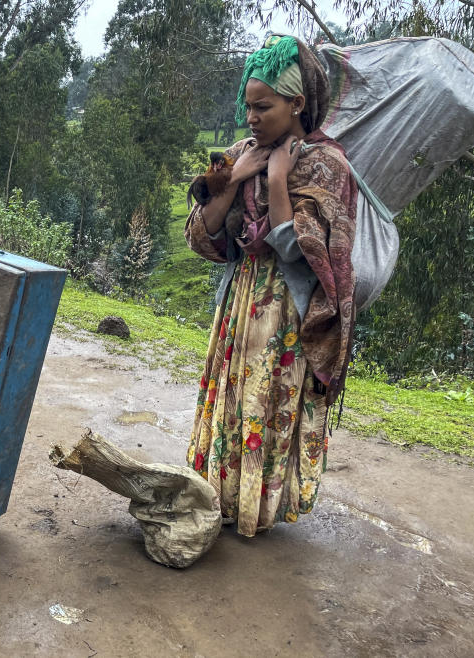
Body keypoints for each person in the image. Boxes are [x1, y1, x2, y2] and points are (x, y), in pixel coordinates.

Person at [184, 35, 357, 537]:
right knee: (233, 396)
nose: (252, 117)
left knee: (269, 399)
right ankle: (217, 495)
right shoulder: (241, 154)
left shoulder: (328, 167)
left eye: (263, 107)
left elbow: (306, 254)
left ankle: (256, 509)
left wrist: (278, 182)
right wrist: (237, 178)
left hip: (288, 313)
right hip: (241, 298)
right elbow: (204, 234)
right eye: (248, 107)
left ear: (297, 104)